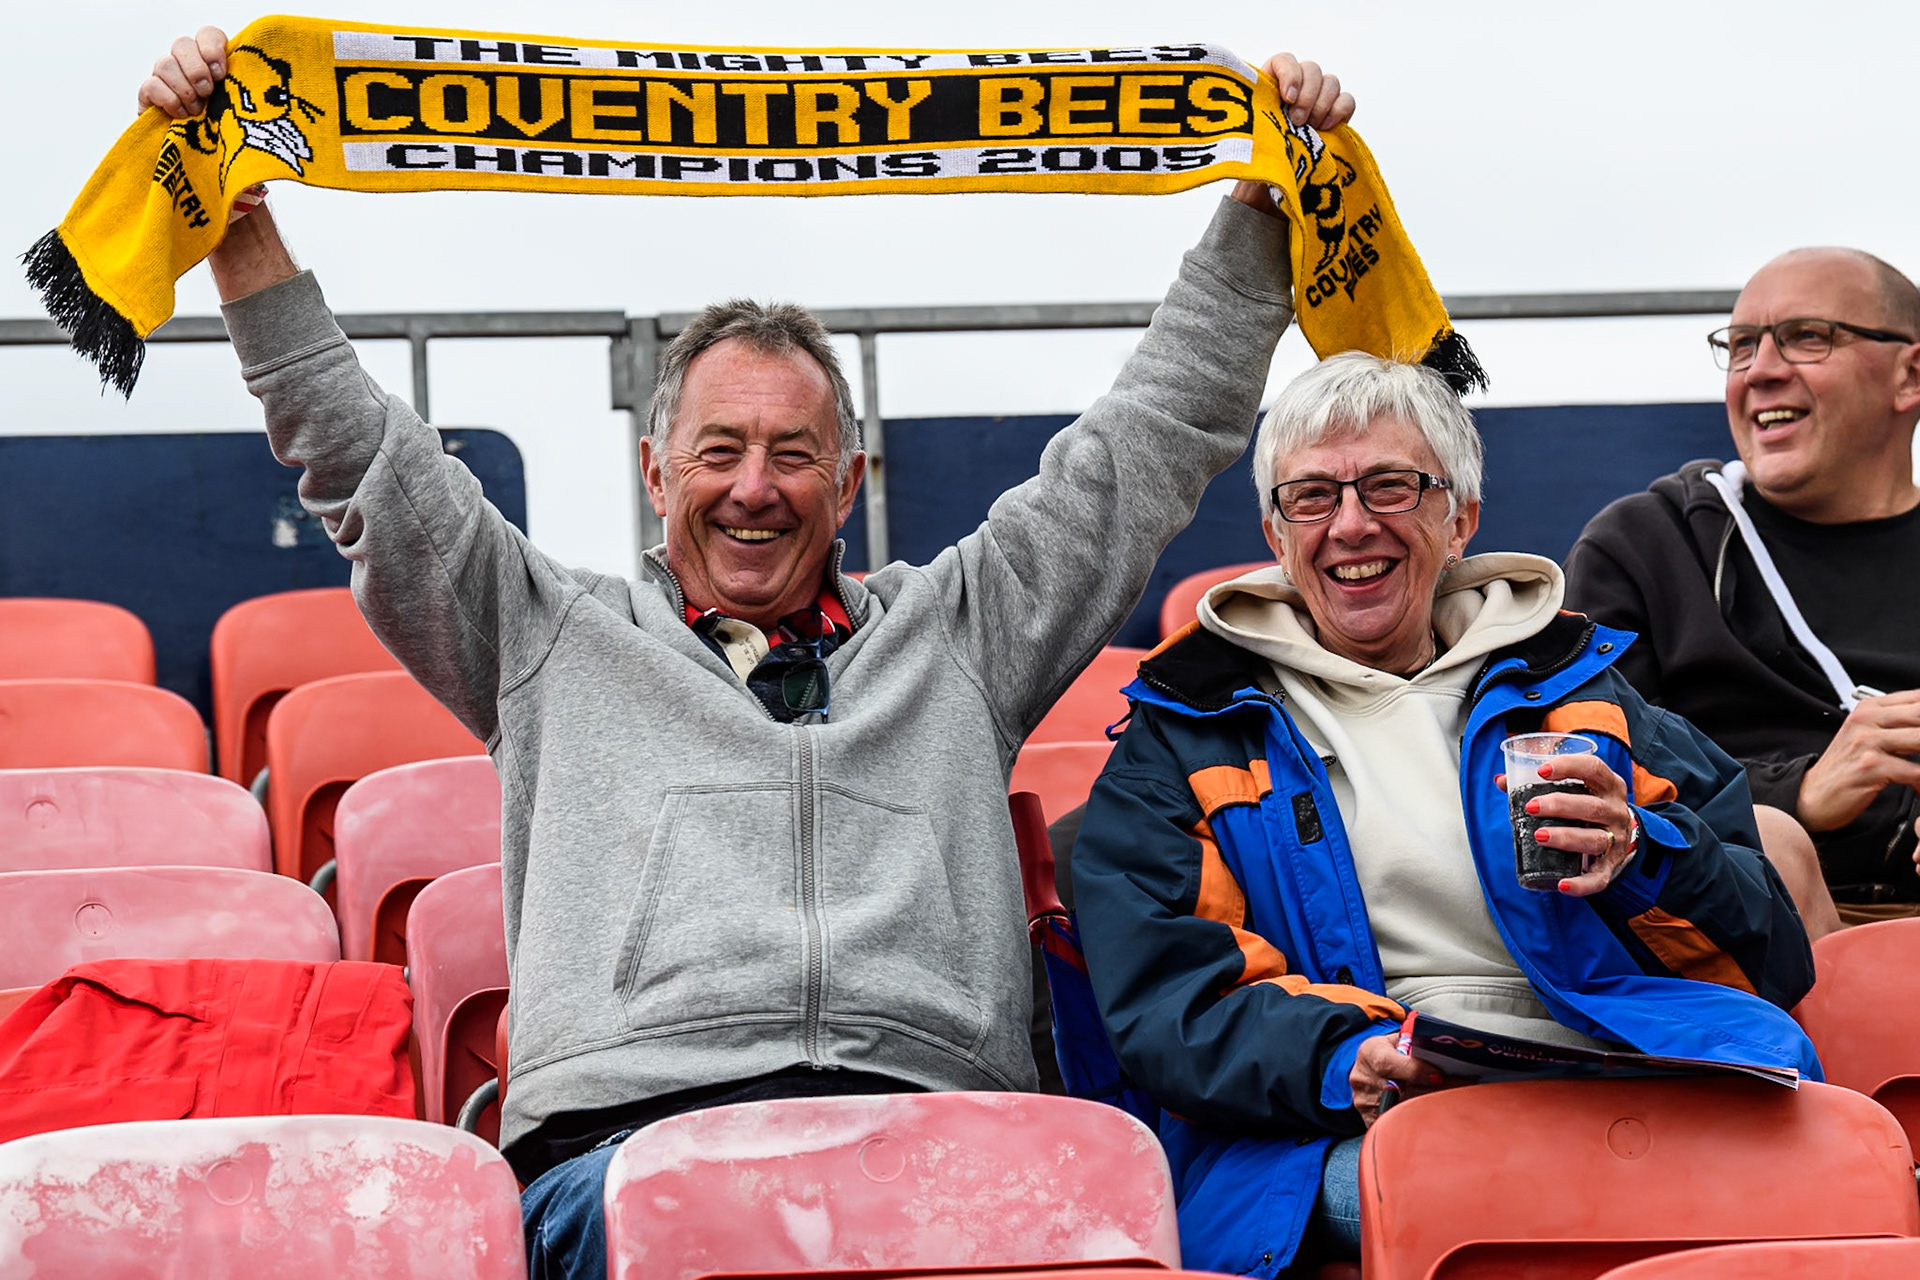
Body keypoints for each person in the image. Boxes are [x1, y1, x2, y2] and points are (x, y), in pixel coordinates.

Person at [138, 27, 1354, 1280]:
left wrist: (1265, 208)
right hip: (636, 1147)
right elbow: (361, 464)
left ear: (849, 481)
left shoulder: (962, 634)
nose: (753, 489)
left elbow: (1149, 442)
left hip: (941, 1144)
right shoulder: (543, 635)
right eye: (719, 451)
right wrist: (236, 223)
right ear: (657, 473)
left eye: (791, 454)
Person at [1068, 353, 1818, 1274]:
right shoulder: (1191, 731)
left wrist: (1648, 854)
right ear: (1274, 528)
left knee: (1829, 1161)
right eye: (1311, 497)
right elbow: (1168, 1004)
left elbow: (1770, 956)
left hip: (1616, 1076)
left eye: (1391, 486)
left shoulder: (1584, 693)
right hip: (1354, 1124)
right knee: (1455, 1190)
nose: (1351, 525)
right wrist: (1344, 1056)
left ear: (1459, 518)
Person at [1564, 248, 1920, 935]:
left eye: (1808, 337)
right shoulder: (1647, 545)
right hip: (1750, 929)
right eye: (1742, 346)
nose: (1761, 370)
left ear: (1910, 375)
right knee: (1777, 849)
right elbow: (1589, 767)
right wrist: (1799, 793)